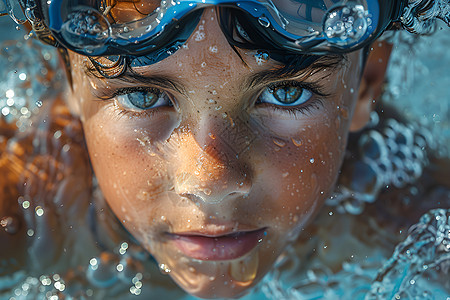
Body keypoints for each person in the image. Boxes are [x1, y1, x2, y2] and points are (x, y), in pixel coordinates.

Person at [0, 0, 449, 299]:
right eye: (143, 96)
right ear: (70, 81)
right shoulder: (27, 203)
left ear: (367, 83)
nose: (211, 182)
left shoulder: (404, 208)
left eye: (285, 93)